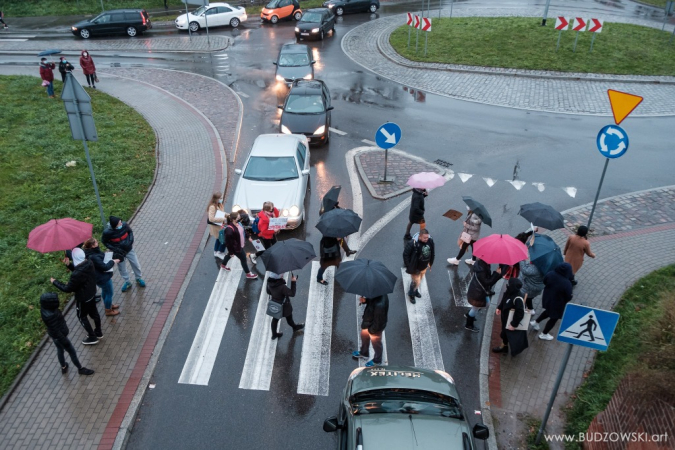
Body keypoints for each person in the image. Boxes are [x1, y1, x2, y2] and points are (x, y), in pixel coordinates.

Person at [50, 248, 102, 345]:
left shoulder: (76, 274)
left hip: (83, 299)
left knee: (81, 316)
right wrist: (69, 265)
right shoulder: (89, 263)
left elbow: (67, 288)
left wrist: (55, 282)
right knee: (94, 313)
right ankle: (98, 332)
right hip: (92, 294)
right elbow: (80, 272)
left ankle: (92, 336)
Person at [40, 293, 95, 375]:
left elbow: (54, 329)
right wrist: (65, 341)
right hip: (61, 337)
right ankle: (80, 369)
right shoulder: (51, 315)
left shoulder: (44, 309)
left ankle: (63, 366)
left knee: (60, 350)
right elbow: (56, 331)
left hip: (54, 336)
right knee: (72, 352)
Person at [102, 216, 147, 293]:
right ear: (115, 225)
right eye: (119, 223)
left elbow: (130, 232)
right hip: (119, 253)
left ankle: (138, 278)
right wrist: (114, 248)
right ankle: (127, 282)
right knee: (122, 268)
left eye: (120, 221)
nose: (121, 223)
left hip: (129, 250)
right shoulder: (107, 232)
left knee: (136, 264)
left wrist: (130, 242)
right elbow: (105, 241)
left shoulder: (125, 225)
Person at [531, 262, 574, 340]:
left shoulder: (551, 274)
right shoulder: (567, 283)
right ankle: (544, 334)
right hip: (558, 304)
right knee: (554, 318)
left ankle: (536, 322)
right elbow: (568, 296)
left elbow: (544, 281)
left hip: (547, 299)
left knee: (547, 312)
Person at [82, 238, 120, 316]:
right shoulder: (93, 256)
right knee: (109, 293)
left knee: (105, 291)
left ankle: (108, 305)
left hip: (99, 277)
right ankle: (108, 310)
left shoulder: (90, 252)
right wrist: (113, 261)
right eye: (96, 242)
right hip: (103, 278)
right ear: (92, 246)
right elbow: (105, 267)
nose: (97, 243)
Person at [492, 278, 528, 356]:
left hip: (510, 321)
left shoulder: (518, 298)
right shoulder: (509, 292)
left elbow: (520, 313)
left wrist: (513, 324)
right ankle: (505, 347)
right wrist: (499, 307)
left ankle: (504, 347)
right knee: (505, 333)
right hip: (505, 318)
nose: (507, 285)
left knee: (506, 334)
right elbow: (504, 300)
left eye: (509, 284)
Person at [352, 294, 389, 367]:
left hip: (374, 328)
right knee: (364, 337)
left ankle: (377, 361)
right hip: (368, 323)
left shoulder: (379, 304)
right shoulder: (377, 295)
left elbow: (378, 321)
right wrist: (366, 301)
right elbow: (372, 304)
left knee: (376, 344)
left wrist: (371, 331)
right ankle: (364, 353)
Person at [465, 258, 501, 332]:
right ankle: (469, 324)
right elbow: (488, 282)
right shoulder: (482, 269)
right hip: (478, 293)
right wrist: (497, 273)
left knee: (485, 304)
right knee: (476, 307)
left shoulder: (483, 264)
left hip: (478, 290)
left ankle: (470, 315)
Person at [221, 211, 258, 279]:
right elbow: (229, 243)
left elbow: (243, 231)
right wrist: (232, 252)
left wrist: (248, 237)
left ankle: (223, 264)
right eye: (238, 216)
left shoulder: (239, 223)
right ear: (234, 219)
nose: (240, 217)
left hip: (240, 245)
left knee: (229, 255)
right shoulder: (229, 230)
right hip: (237, 248)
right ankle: (248, 273)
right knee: (243, 259)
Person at [267, 272, 304, 339]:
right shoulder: (282, 287)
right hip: (284, 306)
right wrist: (293, 282)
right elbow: (292, 293)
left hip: (275, 304)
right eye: (281, 275)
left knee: (275, 320)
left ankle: (274, 334)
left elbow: (268, 291)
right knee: (289, 318)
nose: (282, 275)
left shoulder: (269, 283)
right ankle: (295, 327)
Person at [402, 229, 435, 304]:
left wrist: (430, 263)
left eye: (427, 237)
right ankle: (411, 294)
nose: (427, 239)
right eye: (425, 238)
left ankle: (415, 291)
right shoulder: (412, 243)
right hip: (415, 268)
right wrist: (409, 266)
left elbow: (432, 252)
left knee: (419, 280)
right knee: (416, 282)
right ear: (419, 236)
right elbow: (405, 255)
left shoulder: (430, 240)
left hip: (424, 266)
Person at [207, 193, 227, 259]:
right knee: (223, 239)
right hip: (216, 226)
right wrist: (223, 219)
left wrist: (229, 215)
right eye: (220, 198)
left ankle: (216, 252)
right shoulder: (212, 207)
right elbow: (211, 218)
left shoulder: (219, 204)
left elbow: (222, 213)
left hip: (220, 226)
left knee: (219, 238)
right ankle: (220, 252)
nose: (222, 199)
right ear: (216, 199)